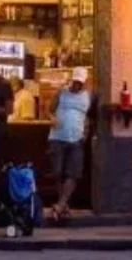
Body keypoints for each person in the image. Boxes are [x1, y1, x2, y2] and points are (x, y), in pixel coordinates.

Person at [47, 66, 93, 222]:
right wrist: (52, 118)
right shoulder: (61, 93)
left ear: (85, 82)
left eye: (80, 82)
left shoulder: (88, 97)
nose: (77, 85)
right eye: (75, 82)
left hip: (76, 138)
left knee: (73, 173)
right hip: (57, 137)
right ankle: (63, 205)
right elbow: (49, 109)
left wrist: (85, 133)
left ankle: (60, 205)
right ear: (71, 80)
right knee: (57, 172)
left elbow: (89, 117)